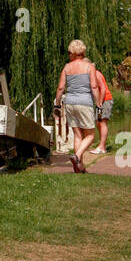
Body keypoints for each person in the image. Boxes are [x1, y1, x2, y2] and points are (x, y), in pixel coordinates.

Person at [54, 40, 102, 173]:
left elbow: (60, 88)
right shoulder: (89, 66)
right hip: (84, 102)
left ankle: (78, 167)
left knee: (77, 135)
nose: (68, 55)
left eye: (69, 52)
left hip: (70, 103)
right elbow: (93, 86)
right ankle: (77, 156)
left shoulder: (67, 67)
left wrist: (57, 105)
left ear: (74, 53)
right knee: (91, 135)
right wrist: (98, 104)